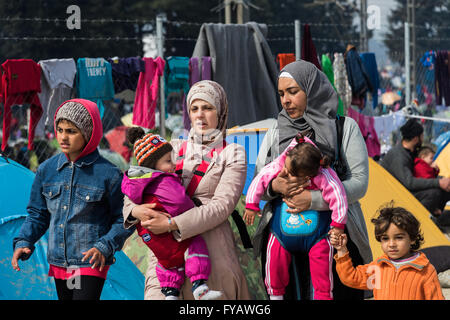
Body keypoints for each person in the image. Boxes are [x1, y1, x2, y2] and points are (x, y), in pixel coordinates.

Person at [252, 59, 373, 300]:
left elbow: (359, 182)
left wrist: (314, 199)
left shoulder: (343, 128)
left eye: (293, 92)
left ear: (312, 89)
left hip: (336, 239)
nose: (286, 100)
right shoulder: (277, 131)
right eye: (281, 94)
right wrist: (275, 186)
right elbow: (259, 180)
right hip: (284, 237)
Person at [122, 80, 251, 300]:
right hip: (166, 251)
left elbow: (222, 206)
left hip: (210, 249)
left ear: (220, 112)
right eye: (194, 108)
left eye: (208, 108)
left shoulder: (233, 153)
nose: (200, 115)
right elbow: (137, 183)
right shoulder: (172, 147)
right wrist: (136, 211)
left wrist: (172, 224)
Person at [11, 99, 133, 300]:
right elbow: (37, 214)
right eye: (60, 130)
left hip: (90, 262)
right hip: (59, 261)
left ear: (88, 133)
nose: (63, 137)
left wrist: (105, 245)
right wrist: (24, 240)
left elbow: (125, 219)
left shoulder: (109, 174)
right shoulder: (46, 170)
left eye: (71, 131)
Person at [121, 128, 222, 300]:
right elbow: (179, 201)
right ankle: (199, 285)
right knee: (195, 243)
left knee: (167, 262)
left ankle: (170, 292)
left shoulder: (137, 181)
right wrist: (193, 209)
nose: (174, 165)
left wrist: (136, 211)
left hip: (152, 237)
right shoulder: (163, 180)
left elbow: (130, 200)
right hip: (171, 231)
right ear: (153, 165)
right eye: (168, 161)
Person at [244, 133, 347, 300]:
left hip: (318, 235)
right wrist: (251, 204)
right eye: (285, 167)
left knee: (322, 274)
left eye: (291, 173)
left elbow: (338, 196)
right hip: (282, 233)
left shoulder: (322, 175)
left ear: (308, 177)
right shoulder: (285, 160)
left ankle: (323, 296)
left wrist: (338, 225)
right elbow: (261, 177)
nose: (284, 172)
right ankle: (275, 297)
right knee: (274, 263)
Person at [329, 204, 444, 300]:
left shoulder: (425, 271)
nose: (391, 244)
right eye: (385, 238)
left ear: (413, 238)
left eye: (399, 237)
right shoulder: (379, 267)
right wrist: (341, 250)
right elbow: (351, 278)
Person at [381, 118, 450, 221]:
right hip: (396, 195)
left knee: (446, 187)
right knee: (434, 192)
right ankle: (416, 221)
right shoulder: (399, 156)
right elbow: (409, 182)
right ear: (415, 139)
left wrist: (441, 179)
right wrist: (438, 182)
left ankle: (435, 217)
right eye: (422, 136)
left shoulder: (411, 151)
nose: (423, 139)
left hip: (407, 189)